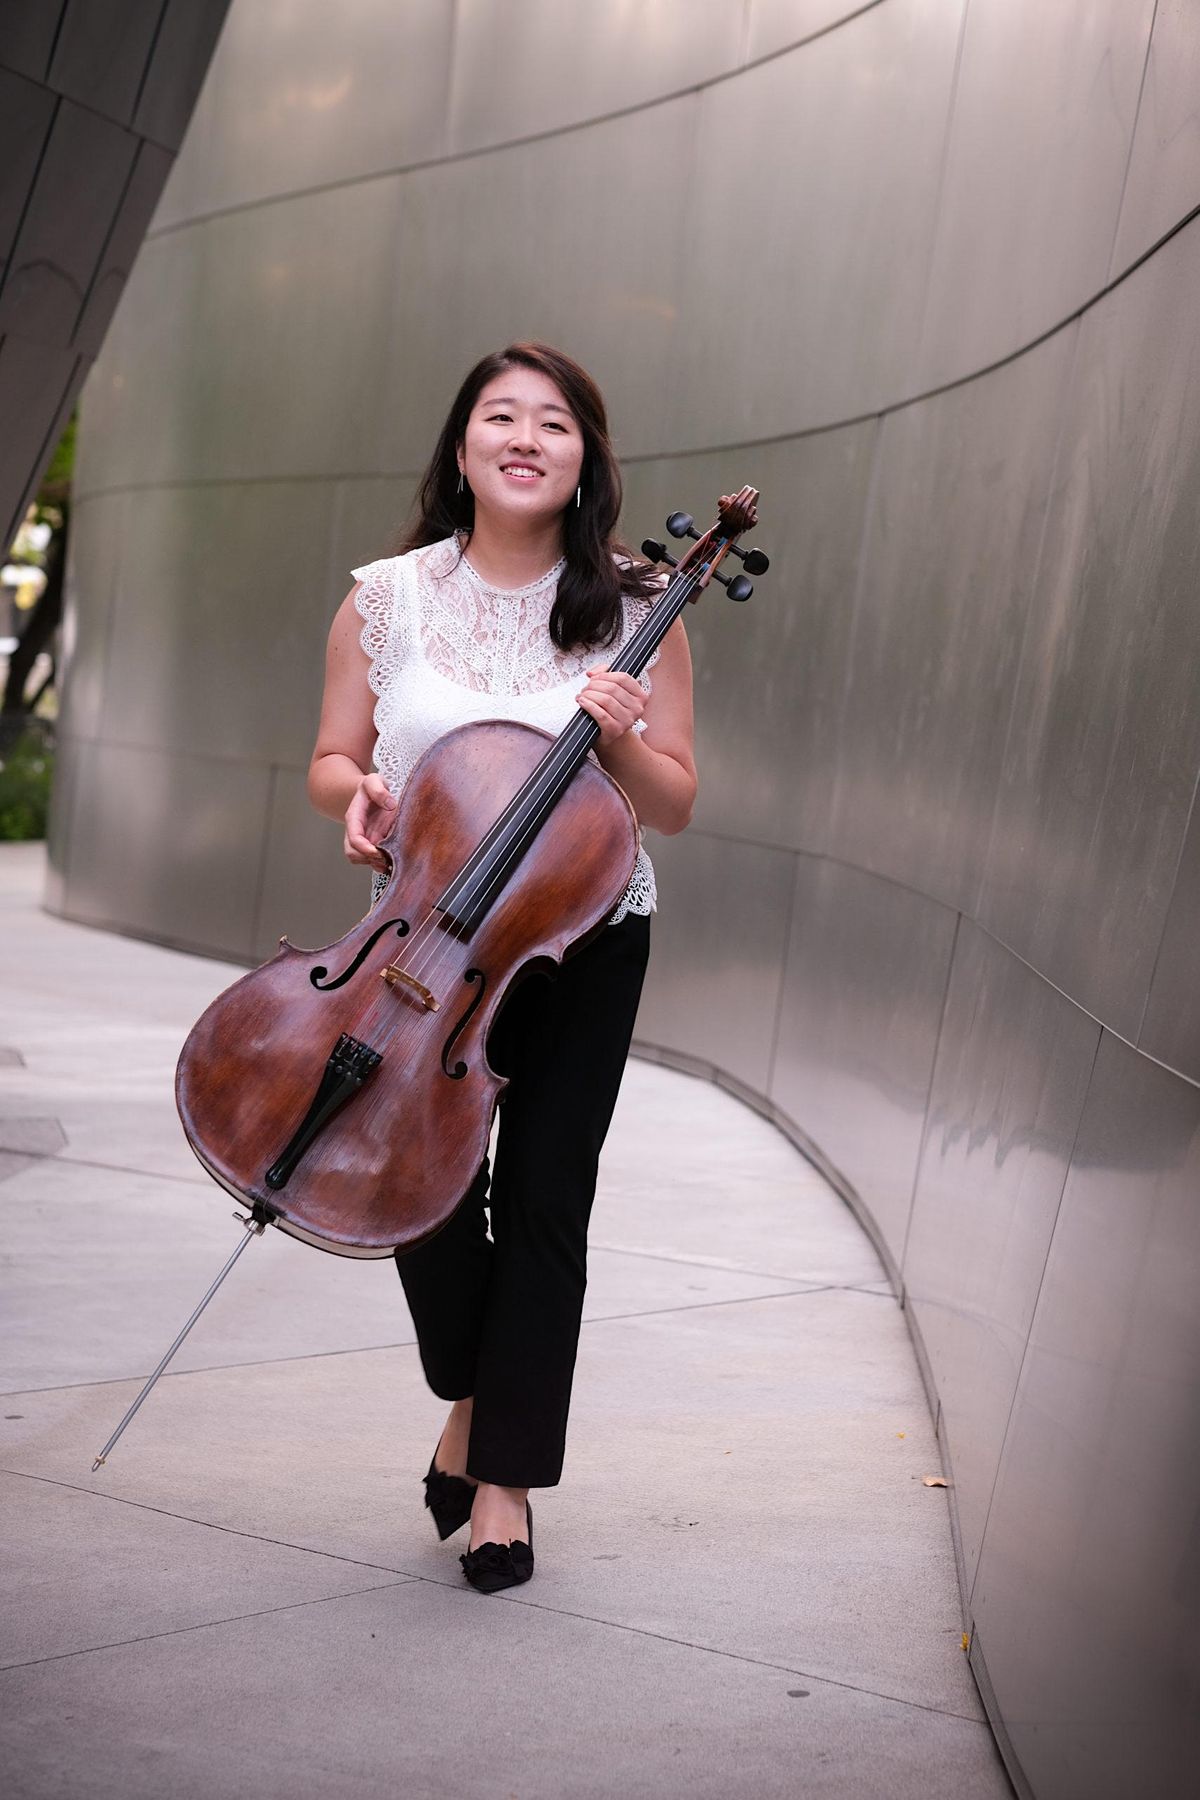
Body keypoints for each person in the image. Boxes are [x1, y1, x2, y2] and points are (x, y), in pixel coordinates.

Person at [306, 342, 697, 1593]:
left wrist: (624, 743)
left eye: (555, 423)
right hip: (424, 940)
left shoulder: (646, 604)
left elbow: (675, 804)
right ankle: (474, 1400)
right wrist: (354, 794)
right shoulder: (387, 597)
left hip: (586, 937)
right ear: (463, 448)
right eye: (500, 417)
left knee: (542, 1200)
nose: (527, 438)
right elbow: (330, 757)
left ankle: (505, 1484)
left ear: (587, 460)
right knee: (410, 1185)